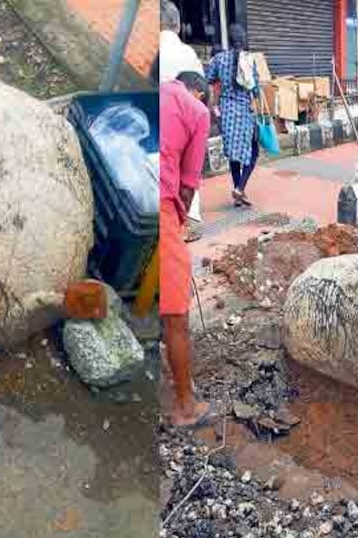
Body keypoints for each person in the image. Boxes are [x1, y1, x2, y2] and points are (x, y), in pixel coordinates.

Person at [160, 68, 215, 427]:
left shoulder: (161, 91)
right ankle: (185, 405)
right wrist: (177, 226)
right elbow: (188, 184)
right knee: (176, 312)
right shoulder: (196, 111)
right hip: (160, 203)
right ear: (198, 92)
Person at [158, 0, 205, 243]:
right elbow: (200, 92)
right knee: (188, 172)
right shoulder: (187, 53)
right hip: (184, 126)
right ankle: (185, 222)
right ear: (177, 26)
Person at [206, 24, 259, 207]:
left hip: (227, 112)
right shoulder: (249, 60)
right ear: (244, 41)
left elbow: (209, 78)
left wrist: (214, 102)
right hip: (244, 112)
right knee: (253, 151)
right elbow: (256, 90)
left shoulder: (218, 59)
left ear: (229, 41)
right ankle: (240, 187)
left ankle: (238, 189)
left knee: (233, 155)